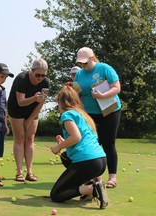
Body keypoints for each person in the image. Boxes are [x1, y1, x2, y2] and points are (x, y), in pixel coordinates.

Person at [50, 85, 108, 209]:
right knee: (65, 156)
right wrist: (65, 142)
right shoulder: (82, 115)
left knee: (56, 194)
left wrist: (58, 147)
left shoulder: (67, 115)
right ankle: (93, 182)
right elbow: (83, 139)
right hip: (101, 161)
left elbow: (76, 137)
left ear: (60, 102)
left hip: (88, 162)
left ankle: (92, 189)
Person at [74, 47, 121, 188]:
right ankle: (96, 177)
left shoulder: (105, 68)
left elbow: (116, 87)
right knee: (93, 144)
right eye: (80, 63)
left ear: (92, 58)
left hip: (110, 111)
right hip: (90, 114)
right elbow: (77, 93)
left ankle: (112, 177)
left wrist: (102, 96)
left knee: (108, 143)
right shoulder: (79, 75)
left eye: (85, 62)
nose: (82, 65)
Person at [7, 59, 49, 182]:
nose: (40, 78)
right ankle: (19, 172)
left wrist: (30, 120)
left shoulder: (46, 83)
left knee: (30, 139)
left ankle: (29, 172)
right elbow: (21, 101)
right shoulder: (21, 79)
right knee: (19, 138)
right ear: (31, 71)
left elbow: (41, 104)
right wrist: (34, 98)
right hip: (17, 110)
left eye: (43, 75)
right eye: (38, 75)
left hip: (32, 111)